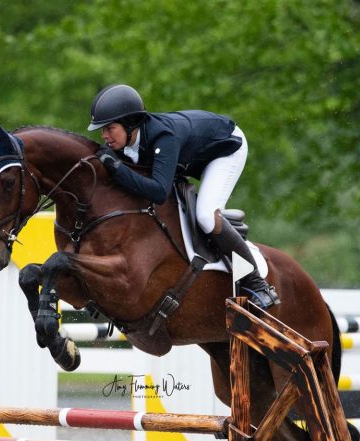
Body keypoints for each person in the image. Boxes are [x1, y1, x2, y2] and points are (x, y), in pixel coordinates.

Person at [88, 84, 280, 309]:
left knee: (206, 216)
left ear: (130, 124)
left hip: (226, 148)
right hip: (193, 153)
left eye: (110, 128)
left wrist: (117, 168)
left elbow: (158, 192)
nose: (104, 136)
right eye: (102, 130)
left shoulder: (163, 137)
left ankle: (258, 284)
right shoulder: (127, 141)